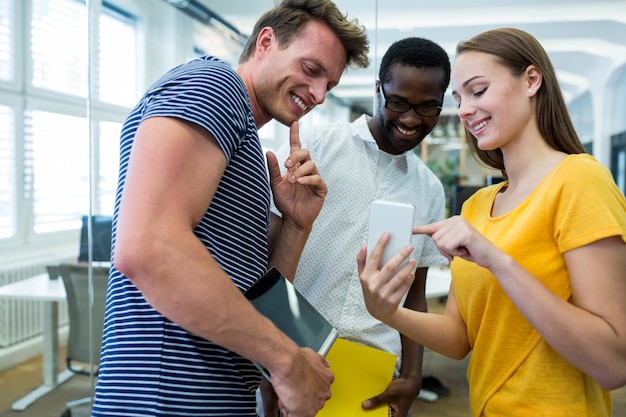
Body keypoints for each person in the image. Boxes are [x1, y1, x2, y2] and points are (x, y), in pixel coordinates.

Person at [90, 1, 369, 416]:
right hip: (165, 400)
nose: (318, 95)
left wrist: (294, 224)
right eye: (311, 70)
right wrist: (287, 363)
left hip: (216, 396)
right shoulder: (214, 85)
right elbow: (148, 249)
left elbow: (261, 293)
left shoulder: (245, 141)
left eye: (329, 83)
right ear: (267, 42)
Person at [358, 27, 626, 417]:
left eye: (478, 91)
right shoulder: (478, 206)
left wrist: (495, 259)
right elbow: (459, 338)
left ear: (532, 80)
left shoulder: (580, 180)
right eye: (458, 98)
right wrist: (387, 312)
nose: (464, 110)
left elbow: (612, 363)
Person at [267, 37, 451, 416]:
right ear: (378, 89)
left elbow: (414, 293)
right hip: (300, 356)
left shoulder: (429, 189)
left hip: (376, 369)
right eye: (398, 101)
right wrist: (267, 361)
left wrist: (414, 375)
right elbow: (266, 257)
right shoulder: (314, 147)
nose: (411, 119)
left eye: (428, 107)